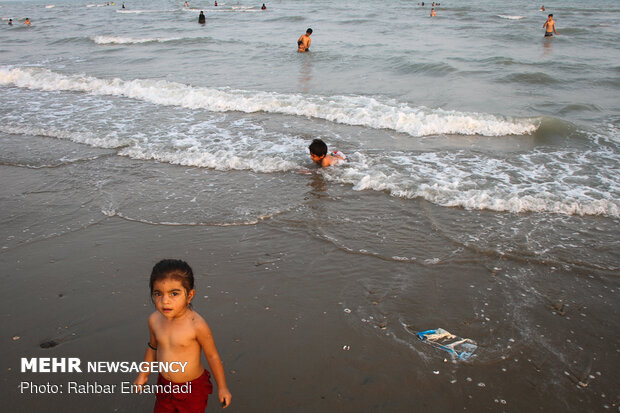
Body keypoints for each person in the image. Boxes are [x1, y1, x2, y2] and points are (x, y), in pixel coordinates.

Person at [134, 259, 232, 411]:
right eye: (158, 293)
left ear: (189, 295)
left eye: (174, 293)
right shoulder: (154, 320)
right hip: (165, 386)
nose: (165, 301)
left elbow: (212, 356)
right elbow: (152, 347)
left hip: (192, 388)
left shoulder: (197, 325)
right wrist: (143, 374)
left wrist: (222, 387)